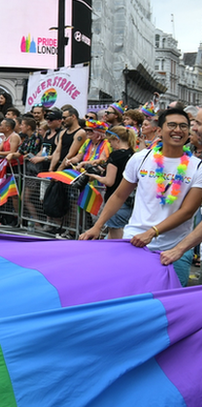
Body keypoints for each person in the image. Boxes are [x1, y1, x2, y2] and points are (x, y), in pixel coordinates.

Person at [80, 108, 202, 286]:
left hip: (175, 249)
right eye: (172, 125)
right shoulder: (141, 159)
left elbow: (187, 211)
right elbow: (119, 195)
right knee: (125, 291)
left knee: (169, 303)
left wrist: (152, 233)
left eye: (184, 126)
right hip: (134, 242)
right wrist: (97, 226)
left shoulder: (197, 167)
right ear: (159, 130)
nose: (178, 130)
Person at [84, 125, 137, 239]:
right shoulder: (133, 154)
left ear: (116, 140)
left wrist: (95, 176)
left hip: (116, 199)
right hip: (130, 200)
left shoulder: (115, 155)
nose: (110, 145)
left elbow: (109, 181)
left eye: (110, 141)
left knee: (115, 234)